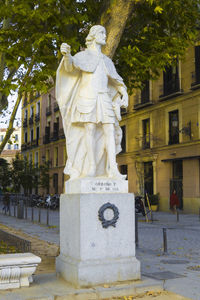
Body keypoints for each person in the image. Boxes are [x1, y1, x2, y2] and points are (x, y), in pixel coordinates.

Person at [56, 25, 128, 180]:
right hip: (87, 98)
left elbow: (116, 80)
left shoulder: (107, 61)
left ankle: (112, 168)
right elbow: (69, 68)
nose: (105, 35)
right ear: (94, 36)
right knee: (90, 130)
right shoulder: (83, 56)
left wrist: (124, 93)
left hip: (104, 98)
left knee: (110, 129)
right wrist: (67, 55)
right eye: (102, 33)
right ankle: (92, 167)